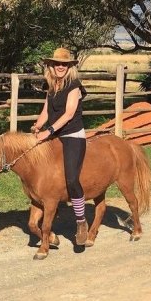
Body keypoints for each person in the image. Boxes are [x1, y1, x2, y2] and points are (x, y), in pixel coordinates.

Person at [32, 47, 89, 245]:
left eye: (64, 64)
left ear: (70, 66)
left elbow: (69, 113)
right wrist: (38, 125)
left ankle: (81, 221)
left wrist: (48, 131)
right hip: (55, 134)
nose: (60, 67)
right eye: (57, 63)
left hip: (72, 134)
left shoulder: (74, 85)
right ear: (51, 66)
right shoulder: (51, 85)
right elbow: (47, 110)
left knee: (72, 178)